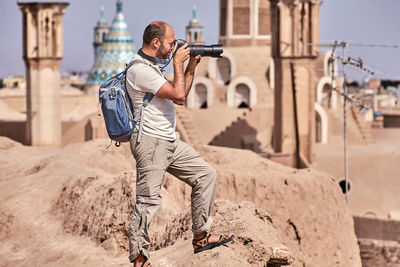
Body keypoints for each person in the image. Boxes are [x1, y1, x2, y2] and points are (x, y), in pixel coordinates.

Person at [126, 21, 234, 267]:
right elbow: (179, 95)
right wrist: (177, 62)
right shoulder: (139, 70)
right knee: (148, 201)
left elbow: (180, 97)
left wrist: (191, 65)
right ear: (156, 42)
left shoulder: (152, 67)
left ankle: (201, 237)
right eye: (170, 42)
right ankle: (139, 259)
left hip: (169, 140)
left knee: (206, 175)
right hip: (150, 142)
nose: (174, 46)